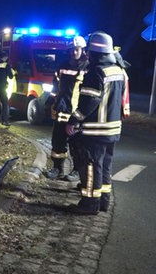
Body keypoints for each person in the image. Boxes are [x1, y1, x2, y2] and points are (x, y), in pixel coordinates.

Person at [65, 31, 127, 215]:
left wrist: (74, 120)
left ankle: (89, 204)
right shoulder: (118, 70)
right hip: (112, 129)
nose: (87, 55)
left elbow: (89, 102)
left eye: (89, 51)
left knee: (90, 166)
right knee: (105, 167)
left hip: (95, 130)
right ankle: (103, 202)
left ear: (94, 52)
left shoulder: (96, 72)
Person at [45, 35, 89, 180]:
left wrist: (81, 114)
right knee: (57, 141)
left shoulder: (87, 67)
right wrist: (50, 100)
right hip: (62, 109)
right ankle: (57, 168)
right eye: (71, 50)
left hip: (76, 112)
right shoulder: (62, 65)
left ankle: (77, 170)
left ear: (82, 49)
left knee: (77, 144)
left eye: (76, 49)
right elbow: (55, 85)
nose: (73, 52)